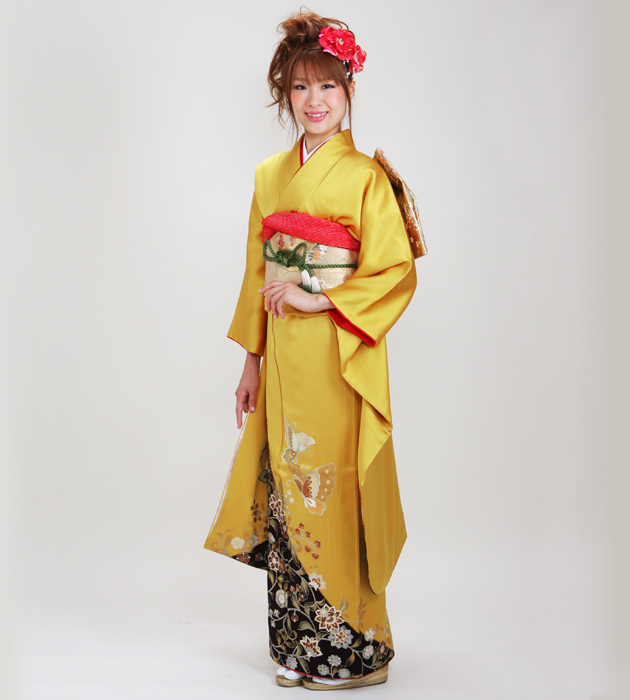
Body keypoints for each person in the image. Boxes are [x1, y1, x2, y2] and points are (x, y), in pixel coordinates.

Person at [204, 10, 419, 690]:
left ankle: (353, 653)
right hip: (280, 362)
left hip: (336, 356)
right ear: (285, 95)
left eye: (327, 85)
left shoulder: (365, 177)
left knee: (331, 486)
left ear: (349, 89)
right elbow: (255, 272)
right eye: (300, 87)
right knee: (286, 489)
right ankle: (297, 647)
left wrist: (318, 298)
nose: (314, 101)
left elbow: (394, 271)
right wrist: (250, 361)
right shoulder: (270, 174)